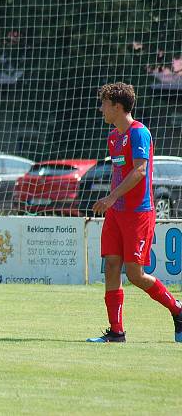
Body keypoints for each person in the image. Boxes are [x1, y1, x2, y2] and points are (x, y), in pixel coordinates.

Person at [87, 82, 182, 343]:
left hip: (138, 213)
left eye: (104, 104)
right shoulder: (113, 137)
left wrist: (111, 197)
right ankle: (116, 332)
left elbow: (140, 171)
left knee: (135, 274)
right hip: (116, 213)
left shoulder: (139, 133)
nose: (101, 109)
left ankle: (178, 310)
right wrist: (112, 201)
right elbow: (120, 172)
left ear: (117, 107)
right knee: (112, 266)